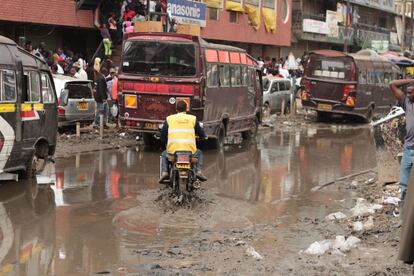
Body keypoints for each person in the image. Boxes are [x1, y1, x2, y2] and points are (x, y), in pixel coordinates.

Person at [159, 101, 207, 183]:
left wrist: (165, 142)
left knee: (164, 154)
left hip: (173, 151)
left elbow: (163, 134)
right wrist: (203, 137)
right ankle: (198, 171)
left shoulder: (169, 119)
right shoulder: (193, 118)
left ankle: (165, 172)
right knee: (200, 153)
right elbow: (201, 133)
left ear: (176, 109)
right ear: (186, 109)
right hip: (190, 151)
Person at [390, 79, 414, 201]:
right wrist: (411, 80)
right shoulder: (407, 104)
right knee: (404, 186)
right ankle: (404, 214)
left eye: (411, 93)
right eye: (408, 92)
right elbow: (392, 84)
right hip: (408, 151)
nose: (408, 95)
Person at [93, 58, 109, 129]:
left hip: (99, 97)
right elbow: (102, 89)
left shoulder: (99, 77)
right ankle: (98, 124)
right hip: (101, 98)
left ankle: (101, 123)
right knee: (101, 111)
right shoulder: (101, 78)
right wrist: (103, 98)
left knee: (104, 110)